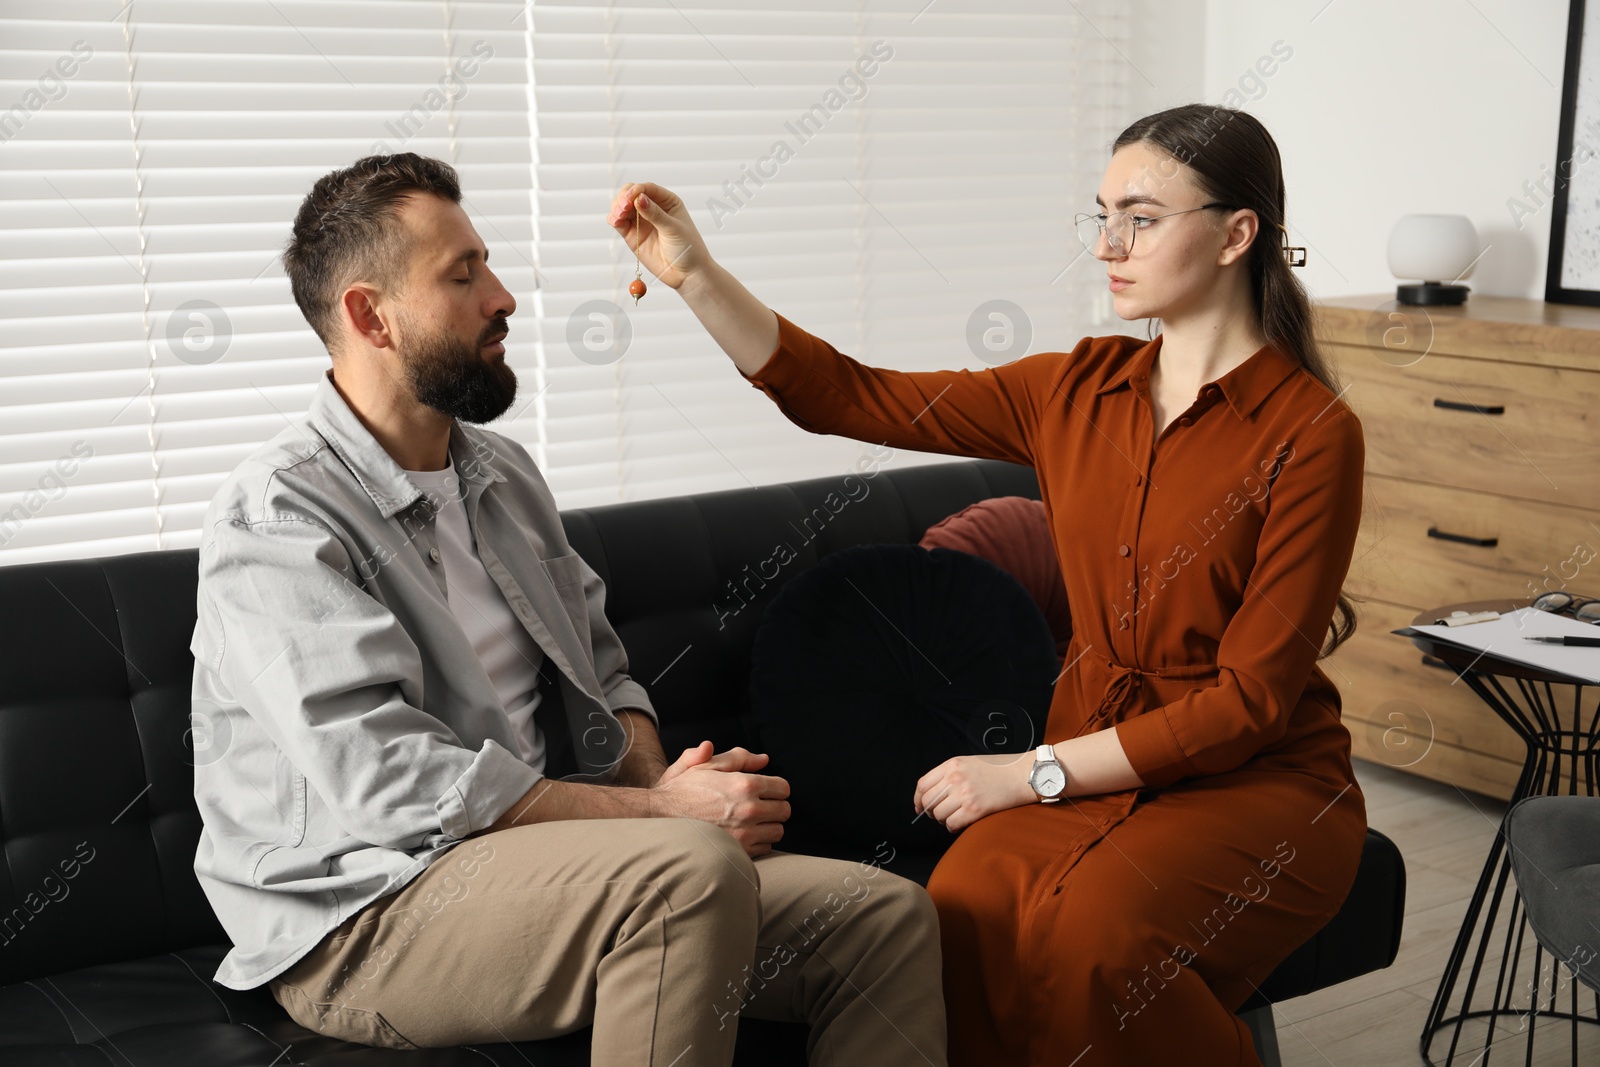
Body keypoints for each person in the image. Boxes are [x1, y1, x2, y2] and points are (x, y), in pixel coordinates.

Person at [606, 102, 1368, 1066]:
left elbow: (1251, 704)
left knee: (1095, 940)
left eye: (1139, 217)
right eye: (1100, 215)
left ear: (1236, 234)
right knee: (956, 906)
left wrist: (1033, 771)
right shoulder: (1073, 390)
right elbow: (846, 393)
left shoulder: (1311, 436)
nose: (1108, 245)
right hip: (1103, 766)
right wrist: (697, 276)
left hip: (1259, 782)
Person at [188, 152, 947, 1066]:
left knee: (882, 916)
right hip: (366, 914)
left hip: (548, 873)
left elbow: (605, 671)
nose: (502, 297)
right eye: (462, 275)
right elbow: (393, 783)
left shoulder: (503, 476)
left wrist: (658, 785)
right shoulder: (277, 512)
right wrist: (669, 821)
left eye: (489, 266)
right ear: (368, 314)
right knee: (687, 872)